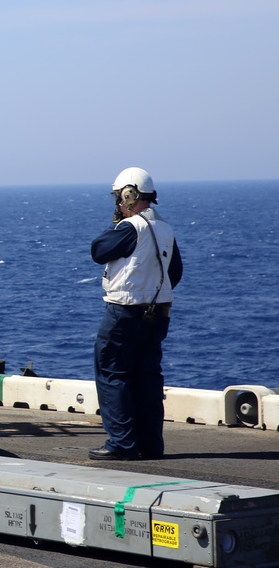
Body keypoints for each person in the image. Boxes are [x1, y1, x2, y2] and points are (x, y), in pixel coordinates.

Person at [89, 167, 183, 461]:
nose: (117, 203)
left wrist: (118, 221)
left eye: (119, 197)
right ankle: (151, 444)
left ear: (129, 194)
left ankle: (122, 443)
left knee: (112, 374)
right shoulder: (166, 228)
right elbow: (175, 272)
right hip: (157, 315)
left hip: (124, 312)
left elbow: (98, 250)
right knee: (148, 377)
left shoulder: (130, 228)